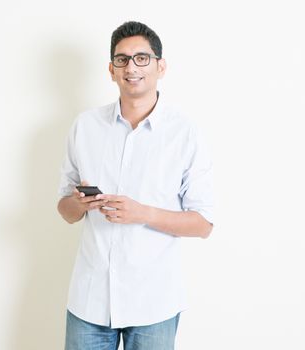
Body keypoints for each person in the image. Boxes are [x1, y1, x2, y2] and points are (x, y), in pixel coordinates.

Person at [57, 21, 214, 350]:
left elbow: (202, 224)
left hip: (153, 302)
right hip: (89, 300)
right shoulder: (85, 127)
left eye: (142, 58)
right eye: (122, 59)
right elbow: (66, 211)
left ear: (161, 66)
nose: (131, 67)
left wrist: (142, 213)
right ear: (111, 70)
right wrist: (79, 204)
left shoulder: (185, 133)